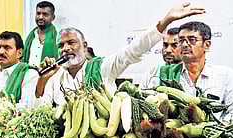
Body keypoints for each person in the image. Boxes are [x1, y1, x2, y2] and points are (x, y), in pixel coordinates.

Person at [35, 3, 206, 105]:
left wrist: (166, 21)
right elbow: (40, 109)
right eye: (61, 45)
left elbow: (133, 50)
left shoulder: (102, 68)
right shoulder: (56, 77)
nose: (66, 48)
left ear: (84, 45)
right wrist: (42, 80)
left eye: (71, 43)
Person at [22, 1, 59, 66]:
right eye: (38, 13)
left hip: (49, 74)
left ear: (53, 17)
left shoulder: (58, 37)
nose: (40, 17)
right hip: (28, 74)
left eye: (45, 14)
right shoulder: (30, 36)